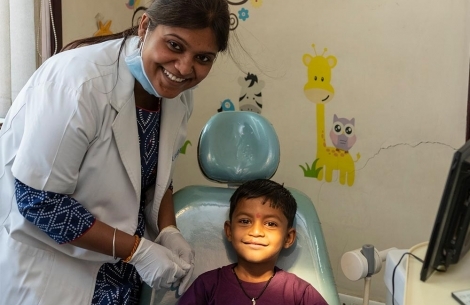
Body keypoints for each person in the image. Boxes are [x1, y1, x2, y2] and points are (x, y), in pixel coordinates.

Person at [0, 0, 231, 304]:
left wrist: (168, 229)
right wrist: (137, 250)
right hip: (56, 272)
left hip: (120, 275)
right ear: (146, 26)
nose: (185, 68)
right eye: (174, 45)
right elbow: (41, 203)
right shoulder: (79, 82)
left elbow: (156, 177)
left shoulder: (177, 97)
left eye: (202, 58)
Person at [177, 179, 329, 305]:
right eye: (245, 221)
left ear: (288, 238)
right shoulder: (208, 285)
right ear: (229, 231)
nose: (256, 232)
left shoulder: (299, 293)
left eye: (271, 224)